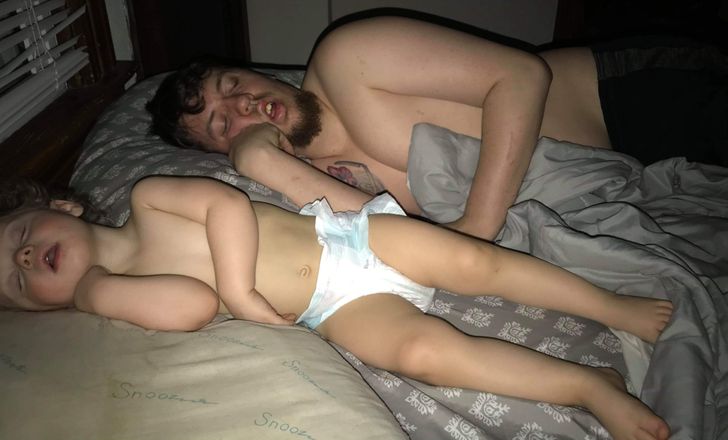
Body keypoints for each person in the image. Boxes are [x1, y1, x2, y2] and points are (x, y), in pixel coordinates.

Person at [1, 175, 673, 440]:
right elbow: (191, 307)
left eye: (19, 237)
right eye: (16, 281)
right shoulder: (118, 302)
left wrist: (241, 290)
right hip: (334, 308)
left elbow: (225, 206)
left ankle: (608, 304)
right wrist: (94, 291)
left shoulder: (147, 199)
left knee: (477, 264)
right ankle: (589, 385)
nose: (26, 258)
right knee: (422, 354)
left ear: (62, 206)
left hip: (349, 239)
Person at [146, 15, 728, 241]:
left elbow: (521, 75)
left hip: (638, 98)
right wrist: (260, 160)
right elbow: (399, 239)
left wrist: (479, 224)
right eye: (224, 122)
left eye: (234, 84)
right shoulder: (320, 182)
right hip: (633, 177)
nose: (245, 103)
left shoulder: (347, 56)